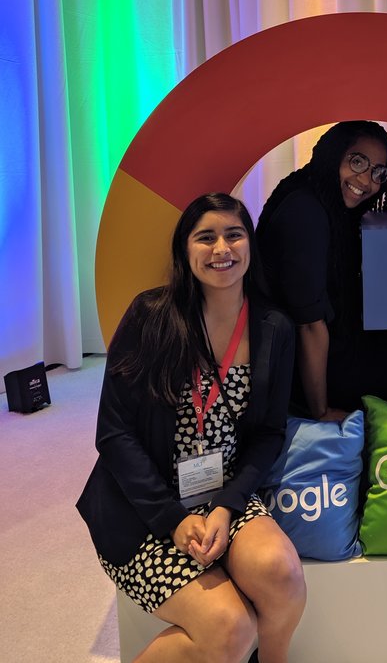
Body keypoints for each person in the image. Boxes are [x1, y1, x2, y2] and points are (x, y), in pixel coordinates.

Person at [77, 192, 305, 663]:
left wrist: (226, 506)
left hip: (224, 493)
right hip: (143, 508)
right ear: (186, 250)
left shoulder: (274, 327)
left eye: (234, 234)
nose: (222, 248)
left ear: (250, 245)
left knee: (281, 575)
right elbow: (114, 433)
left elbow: (268, 434)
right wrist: (172, 519)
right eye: (206, 237)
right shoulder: (151, 317)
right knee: (228, 629)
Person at [257, 121, 387, 421]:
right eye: (357, 162)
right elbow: (309, 325)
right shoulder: (305, 214)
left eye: (378, 172)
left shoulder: (313, 191)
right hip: (298, 367)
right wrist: (320, 410)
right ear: (334, 155)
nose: (366, 180)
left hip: (323, 344)